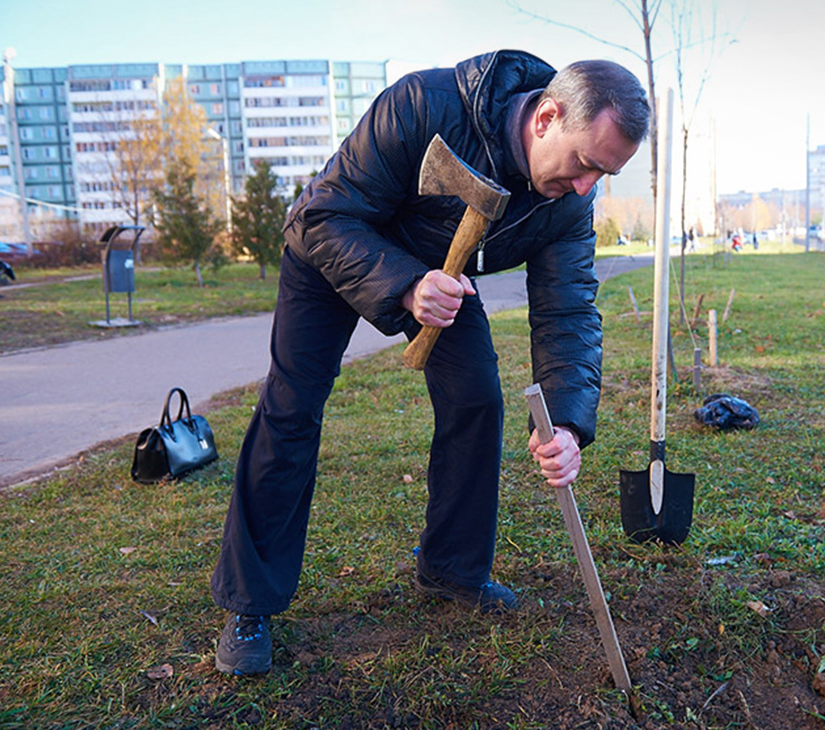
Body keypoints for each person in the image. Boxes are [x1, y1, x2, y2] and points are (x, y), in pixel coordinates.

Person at [210, 50, 649, 676]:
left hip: (444, 275)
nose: (586, 186)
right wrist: (405, 285)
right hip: (332, 248)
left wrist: (570, 424)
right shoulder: (423, 105)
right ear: (547, 117)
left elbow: (568, 314)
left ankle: (453, 570)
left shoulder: (569, 203)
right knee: (292, 407)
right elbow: (323, 214)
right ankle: (249, 602)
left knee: (476, 399)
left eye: (602, 175)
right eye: (583, 164)